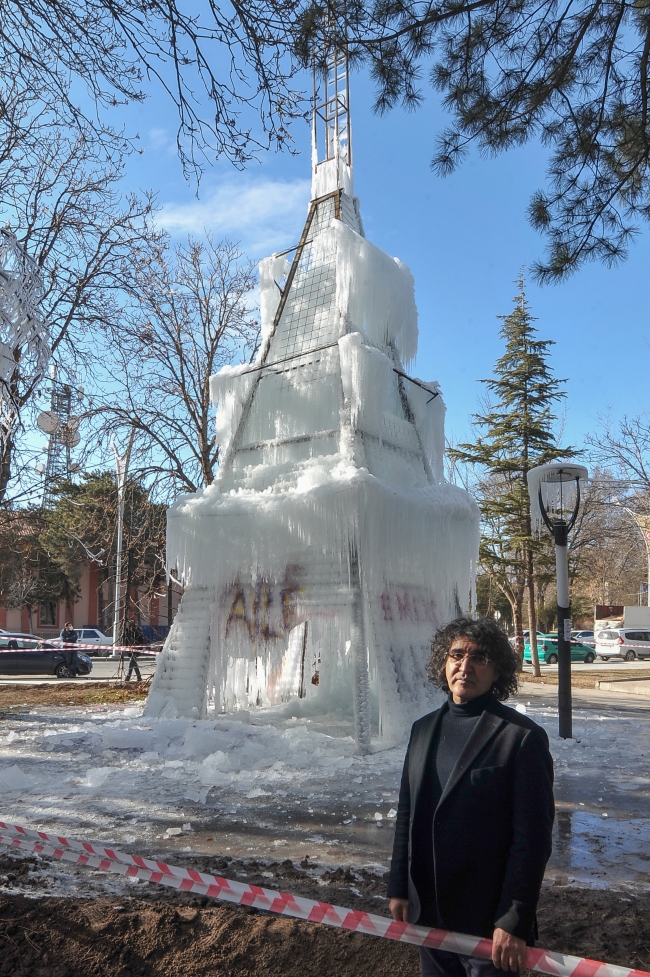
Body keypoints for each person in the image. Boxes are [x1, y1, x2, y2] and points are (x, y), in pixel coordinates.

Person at [387, 616, 554, 977]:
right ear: (444, 663)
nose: (465, 666)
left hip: (488, 928)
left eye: (479, 658)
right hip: (427, 914)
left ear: (498, 672)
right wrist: (400, 886)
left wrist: (514, 919)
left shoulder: (521, 738)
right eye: (457, 655)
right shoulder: (422, 730)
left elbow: (533, 840)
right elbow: (407, 813)